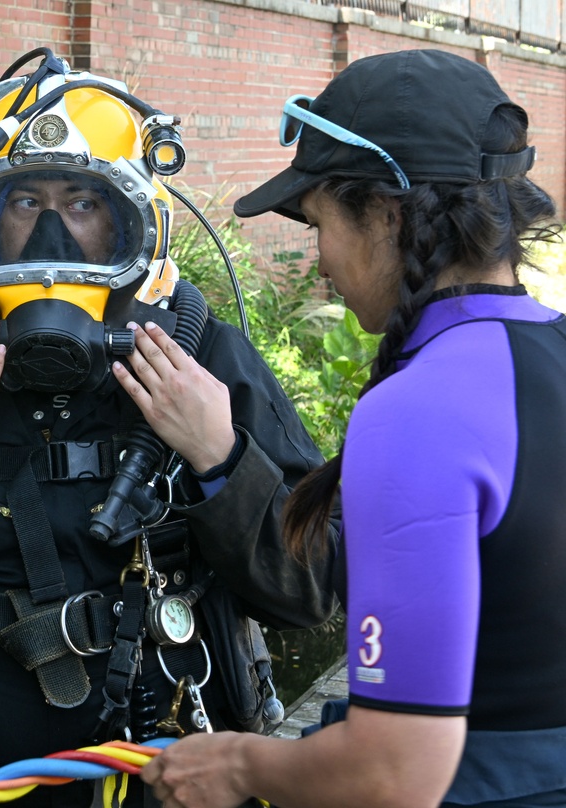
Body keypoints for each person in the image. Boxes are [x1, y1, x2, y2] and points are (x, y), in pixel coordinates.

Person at [0, 49, 339, 807]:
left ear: (135, 219)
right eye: (26, 203)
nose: (52, 232)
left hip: (162, 766)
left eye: (83, 205)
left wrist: (222, 458)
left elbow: (308, 590)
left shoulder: (199, 354)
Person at [141, 48, 566, 808]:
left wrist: (238, 766)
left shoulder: (420, 411)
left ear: (389, 215)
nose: (322, 262)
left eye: (318, 224)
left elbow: (391, 773)